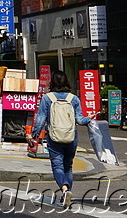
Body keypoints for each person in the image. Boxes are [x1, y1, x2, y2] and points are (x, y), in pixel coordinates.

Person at [28, 70, 91, 209]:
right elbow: (80, 120)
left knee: (57, 166)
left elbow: (40, 120)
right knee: (68, 166)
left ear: (53, 82)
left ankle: (65, 190)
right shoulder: (73, 99)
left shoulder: (47, 98)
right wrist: (89, 119)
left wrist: (34, 135)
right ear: (66, 81)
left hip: (54, 137)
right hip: (71, 137)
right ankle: (67, 193)